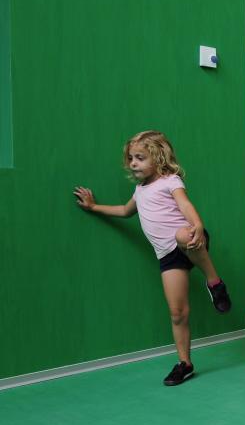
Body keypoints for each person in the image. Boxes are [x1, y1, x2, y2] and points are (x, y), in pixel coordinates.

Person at [73, 130, 232, 386]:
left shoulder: (171, 181)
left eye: (140, 158)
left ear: (157, 159)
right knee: (177, 312)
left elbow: (185, 206)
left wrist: (198, 226)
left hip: (191, 240)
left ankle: (214, 282)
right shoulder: (139, 190)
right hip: (168, 256)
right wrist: (94, 207)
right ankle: (185, 363)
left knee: (182, 235)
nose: (133, 163)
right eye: (131, 158)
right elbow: (125, 211)